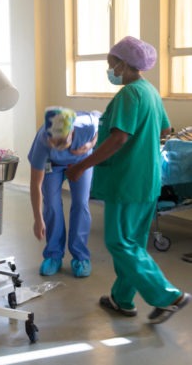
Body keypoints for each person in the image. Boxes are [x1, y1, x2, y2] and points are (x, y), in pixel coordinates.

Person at [66, 36, 190, 324]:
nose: (109, 69)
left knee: (119, 242)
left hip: (126, 181)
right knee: (132, 242)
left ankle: (167, 295)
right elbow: (165, 130)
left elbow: (119, 137)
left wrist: (81, 166)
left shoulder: (129, 94)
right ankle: (122, 299)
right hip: (148, 180)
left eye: (112, 64)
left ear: (124, 64)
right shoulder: (150, 92)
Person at [28, 107, 99, 277]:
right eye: (54, 143)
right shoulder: (42, 141)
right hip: (52, 165)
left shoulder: (86, 125)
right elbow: (35, 185)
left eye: (63, 143)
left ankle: (81, 257)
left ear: (72, 131)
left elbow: (97, 126)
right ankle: (53, 255)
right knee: (51, 205)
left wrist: (89, 145)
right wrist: (38, 220)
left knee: (81, 203)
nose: (59, 147)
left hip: (81, 160)